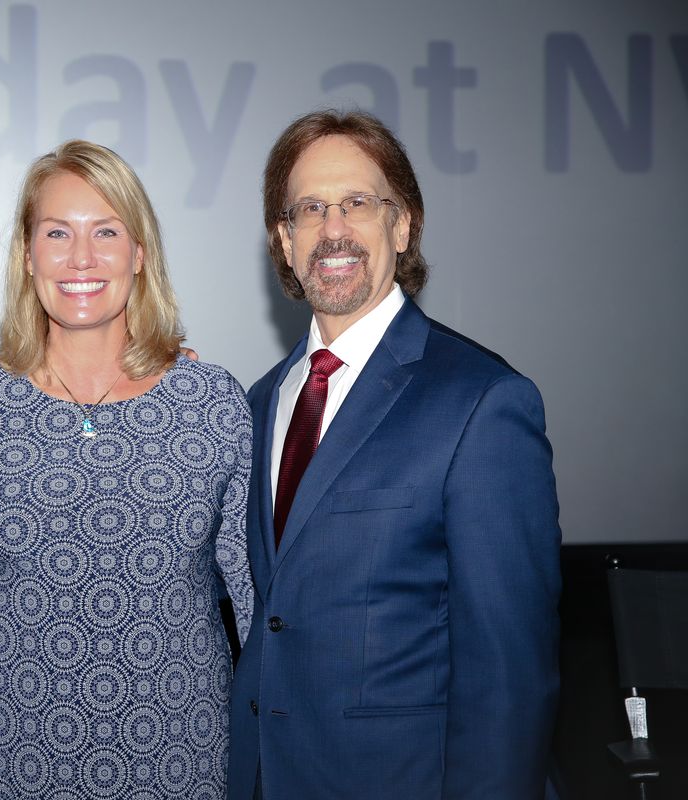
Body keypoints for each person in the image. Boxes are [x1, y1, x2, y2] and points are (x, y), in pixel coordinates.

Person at [228, 110, 561, 799]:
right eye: (310, 209)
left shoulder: (481, 401)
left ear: (402, 225)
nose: (334, 229)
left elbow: (508, 674)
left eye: (358, 203)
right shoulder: (259, 405)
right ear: (284, 241)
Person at [0, 140, 253, 800]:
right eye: (57, 233)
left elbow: (251, 595)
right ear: (27, 253)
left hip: (187, 749)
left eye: (106, 232)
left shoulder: (212, 402)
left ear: (139, 254)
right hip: (8, 754)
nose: (81, 258)